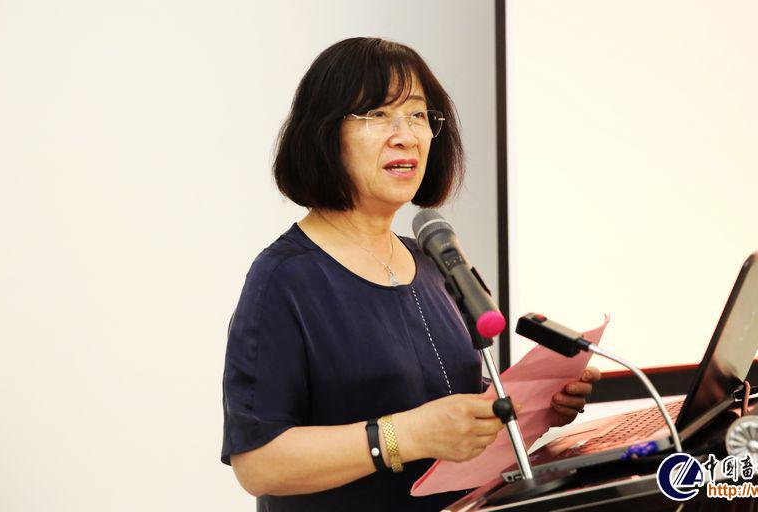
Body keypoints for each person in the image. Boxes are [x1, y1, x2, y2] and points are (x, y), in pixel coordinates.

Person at [221, 37, 601, 511]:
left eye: (418, 114)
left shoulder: (433, 262)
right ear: (325, 133)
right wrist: (404, 436)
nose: (406, 135)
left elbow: (444, 408)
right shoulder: (284, 278)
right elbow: (258, 463)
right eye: (378, 114)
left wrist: (532, 405)